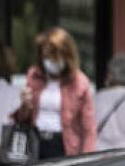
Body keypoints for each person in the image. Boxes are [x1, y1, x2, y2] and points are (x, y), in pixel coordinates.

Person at [16, 27, 96, 159]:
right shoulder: (34, 75)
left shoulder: (79, 82)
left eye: (54, 57)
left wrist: (86, 159)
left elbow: (89, 128)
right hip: (35, 142)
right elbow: (22, 119)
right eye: (46, 57)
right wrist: (24, 105)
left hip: (64, 144)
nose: (50, 61)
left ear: (66, 55)